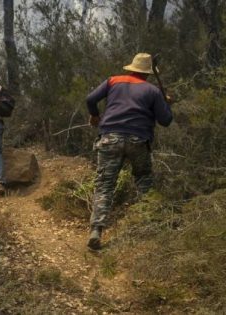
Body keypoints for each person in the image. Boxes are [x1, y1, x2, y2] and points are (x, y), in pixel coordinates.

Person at [85, 53, 173, 250]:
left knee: (104, 185)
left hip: (109, 138)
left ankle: (96, 231)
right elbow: (165, 121)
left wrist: (94, 115)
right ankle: (151, 227)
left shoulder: (113, 80)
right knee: (144, 181)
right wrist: (166, 103)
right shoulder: (153, 90)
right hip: (138, 140)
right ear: (149, 73)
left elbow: (90, 99)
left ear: (131, 68)